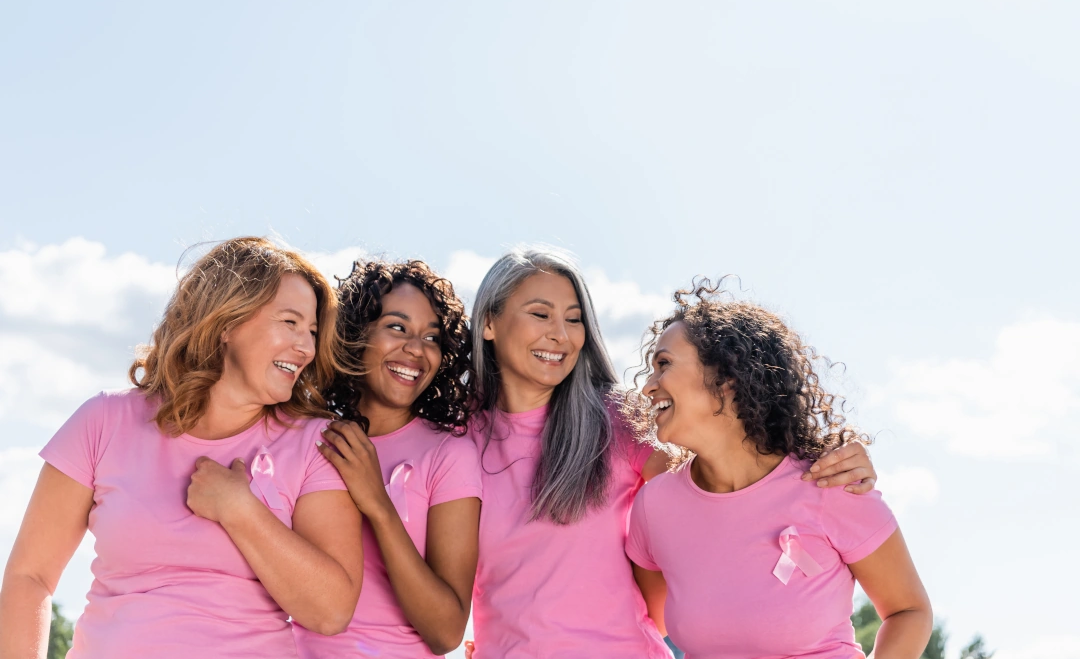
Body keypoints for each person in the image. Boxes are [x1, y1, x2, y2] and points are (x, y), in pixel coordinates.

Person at [464, 248, 879, 659]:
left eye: (574, 319)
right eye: (541, 314)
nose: (561, 334)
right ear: (488, 322)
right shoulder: (457, 437)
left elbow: (725, 478)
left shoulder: (617, 419)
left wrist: (821, 456)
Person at [0, 237, 364, 659]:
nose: (306, 347)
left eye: (313, 331)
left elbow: (331, 610)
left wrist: (240, 510)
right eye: (290, 322)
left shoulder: (313, 443)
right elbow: (30, 577)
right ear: (227, 322)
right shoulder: (103, 421)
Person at [625, 279, 932, 659]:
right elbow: (647, 627)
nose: (648, 387)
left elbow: (909, 612)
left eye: (664, 365)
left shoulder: (829, 483)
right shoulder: (655, 507)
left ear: (726, 378)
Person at [295, 260, 482, 658]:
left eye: (431, 337)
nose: (416, 349)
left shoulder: (448, 454)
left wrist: (378, 505)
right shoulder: (307, 436)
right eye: (397, 327)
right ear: (355, 336)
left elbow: (447, 631)